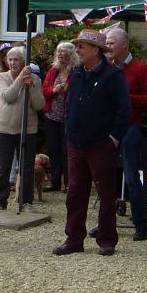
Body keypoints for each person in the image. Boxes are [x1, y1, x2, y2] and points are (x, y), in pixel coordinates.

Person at [54, 29, 129, 256]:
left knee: (105, 193)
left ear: (95, 50)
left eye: (81, 47)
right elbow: (69, 105)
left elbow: (123, 110)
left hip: (101, 144)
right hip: (76, 143)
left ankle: (107, 239)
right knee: (75, 192)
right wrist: (69, 129)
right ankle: (74, 238)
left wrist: (114, 138)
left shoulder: (113, 76)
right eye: (77, 46)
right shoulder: (77, 74)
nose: (77, 50)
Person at [107, 26, 147, 241]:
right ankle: (106, 225)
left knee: (132, 177)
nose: (107, 46)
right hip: (107, 128)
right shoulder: (106, 67)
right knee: (105, 177)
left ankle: (141, 225)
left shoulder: (140, 68)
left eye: (110, 43)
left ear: (124, 45)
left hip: (130, 127)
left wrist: (126, 99)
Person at [0, 45, 46, 210]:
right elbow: (8, 96)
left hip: (27, 128)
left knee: (27, 167)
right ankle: (0, 201)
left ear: (24, 62)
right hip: (4, 126)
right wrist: (19, 80)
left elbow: (39, 105)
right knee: (3, 166)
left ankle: (26, 200)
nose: (13, 63)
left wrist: (31, 87)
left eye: (16, 60)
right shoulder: (1, 77)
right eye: (10, 59)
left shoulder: (35, 79)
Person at [42, 40, 77, 193]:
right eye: (59, 52)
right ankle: (55, 182)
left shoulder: (76, 71)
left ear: (71, 55)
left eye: (64, 52)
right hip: (52, 116)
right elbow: (44, 91)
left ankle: (69, 183)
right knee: (53, 149)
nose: (61, 55)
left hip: (68, 118)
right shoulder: (53, 70)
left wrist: (69, 89)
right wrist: (54, 90)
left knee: (66, 151)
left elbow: (80, 93)